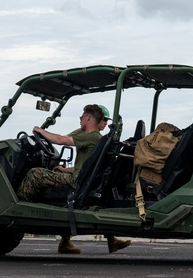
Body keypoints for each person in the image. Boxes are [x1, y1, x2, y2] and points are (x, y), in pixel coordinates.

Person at [16, 104, 130, 255]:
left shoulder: (88, 136)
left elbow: (62, 140)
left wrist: (40, 131)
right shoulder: (97, 138)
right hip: (81, 180)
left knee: (35, 173)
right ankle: (65, 243)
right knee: (49, 176)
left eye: (82, 117)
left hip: (76, 183)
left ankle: (18, 208)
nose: (80, 120)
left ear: (88, 117)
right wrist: (65, 170)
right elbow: (85, 167)